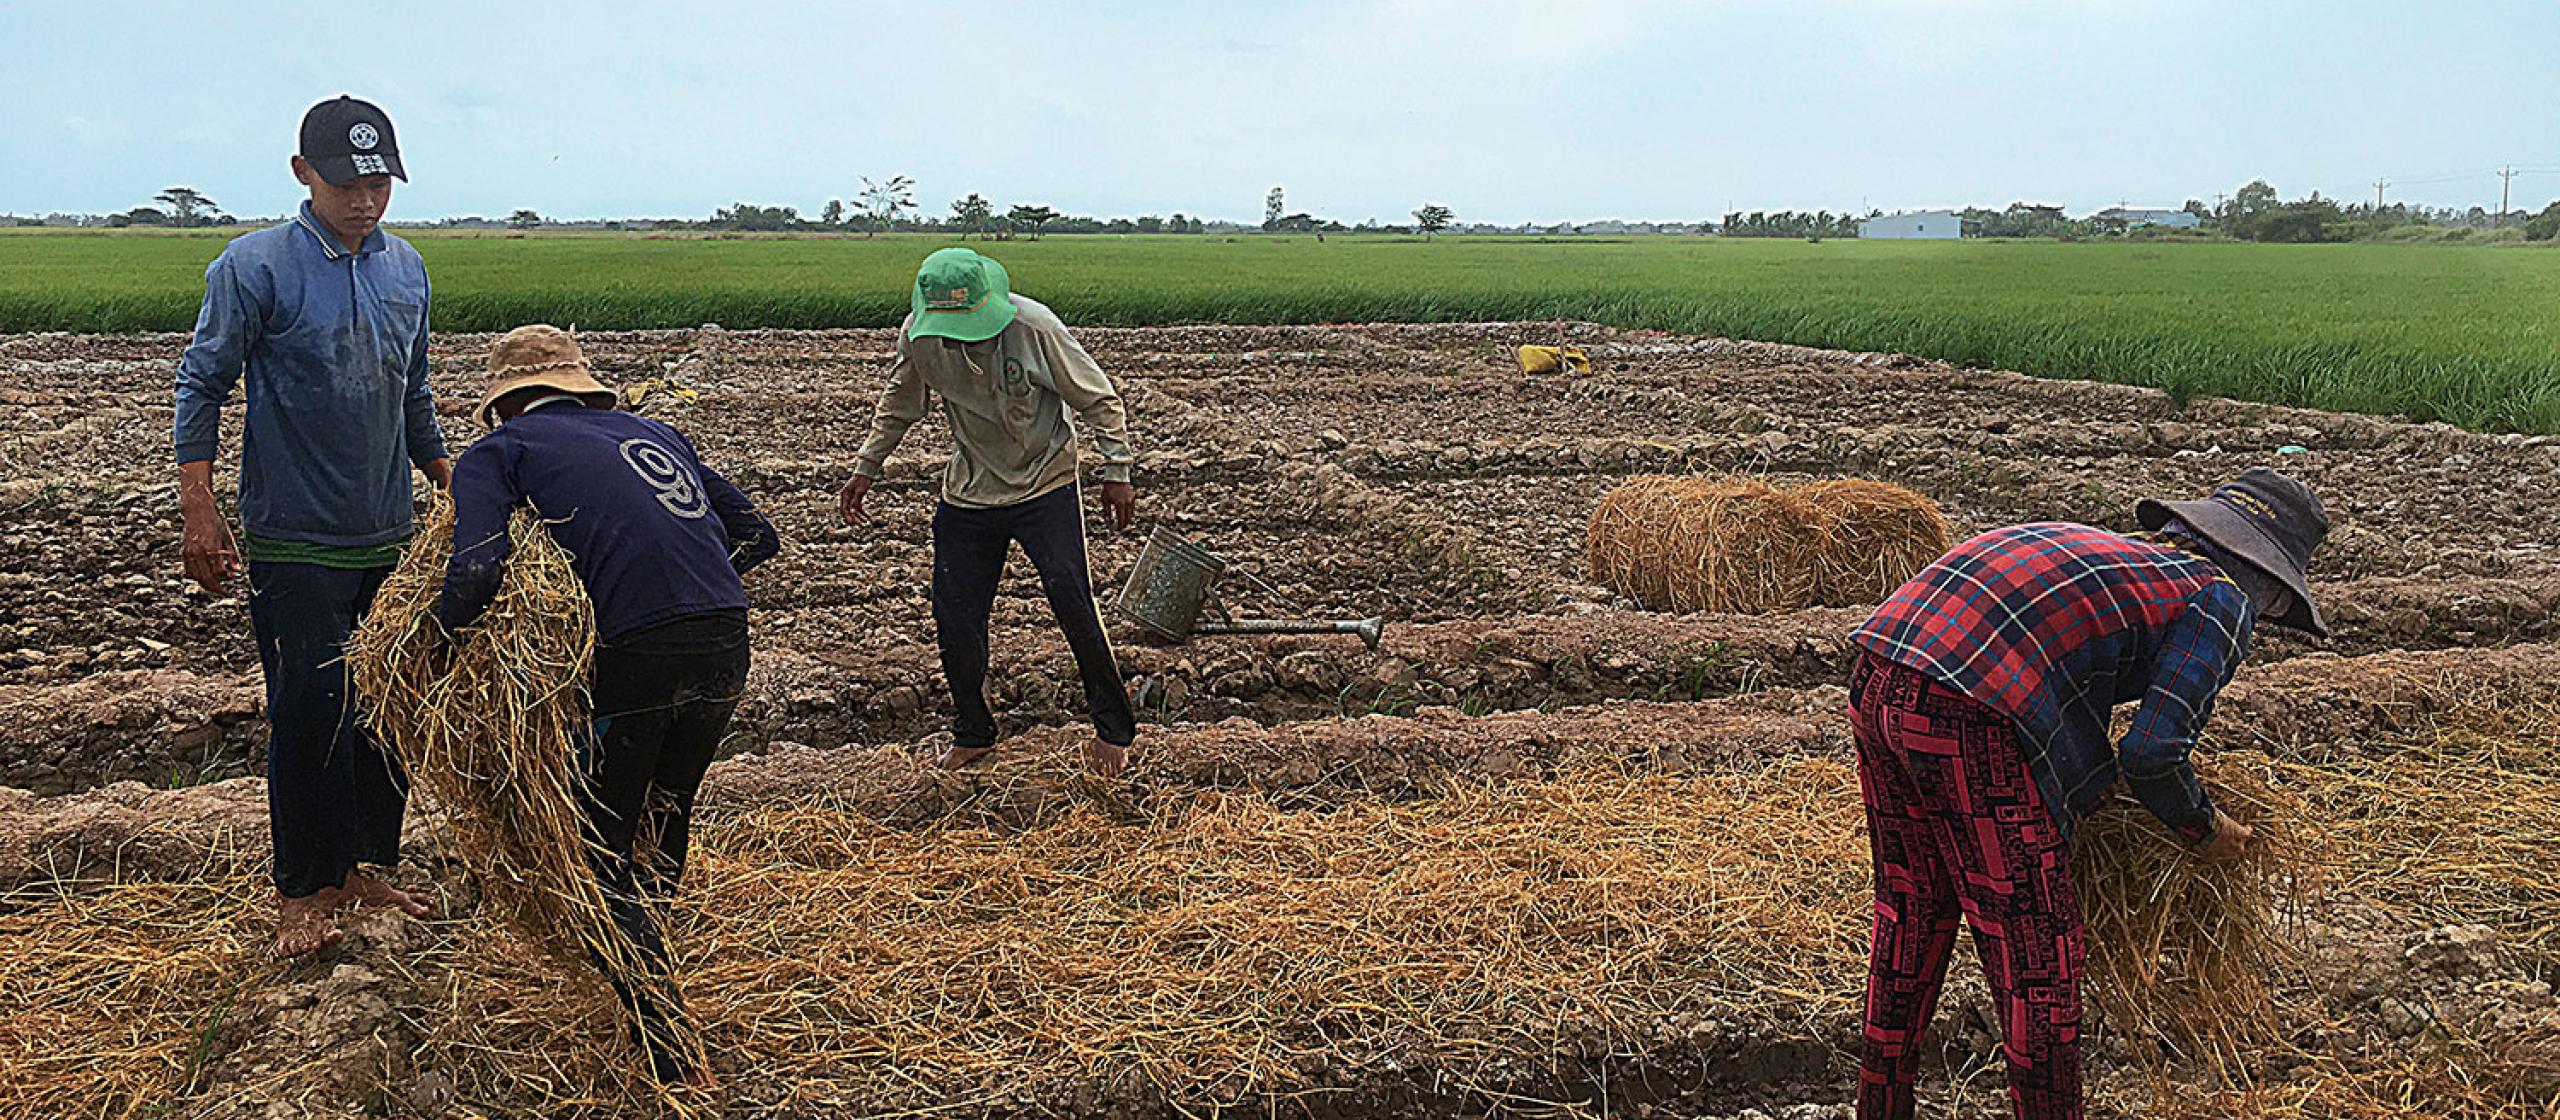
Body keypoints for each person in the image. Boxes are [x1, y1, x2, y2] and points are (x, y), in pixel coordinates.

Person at [1844, 468, 2329, 1120]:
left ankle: (1879, 1105)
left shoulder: (2126, 561)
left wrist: (2086, 791)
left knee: (1914, 905)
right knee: (2037, 955)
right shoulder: (2221, 600)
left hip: (1880, 669)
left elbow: (2069, 696)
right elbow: (2153, 754)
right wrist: (2206, 830)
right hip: (1968, 706)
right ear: (2267, 581)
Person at [437, 324, 778, 1084]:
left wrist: (428, 650)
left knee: (596, 851)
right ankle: (648, 958)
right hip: (724, 639)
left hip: (637, 658)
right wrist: (685, 585)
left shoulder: (500, 453)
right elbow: (758, 534)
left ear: (505, 402)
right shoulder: (655, 431)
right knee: (662, 816)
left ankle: (664, 1041)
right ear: (582, 386)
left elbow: (478, 568)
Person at [173, 95, 446, 957]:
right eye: (345, 182)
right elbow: (201, 384)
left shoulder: (408, 271)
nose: (364, 199)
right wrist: (200, 508)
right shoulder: (255, 266)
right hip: (294, 537)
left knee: (388, 707)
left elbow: (413, 398)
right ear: (303, 175)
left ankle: (368, 865)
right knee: (310, 707)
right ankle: (304, 888)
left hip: (388, 535)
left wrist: (450, 477)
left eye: (378, 181)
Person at [837, 248, 1139, 776]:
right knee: (954, 615)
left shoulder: (1034, 328)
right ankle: (973, 733)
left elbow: (1099, 400)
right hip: (970, 491)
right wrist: (866, 467)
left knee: (1071, 597)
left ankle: (1114, 729)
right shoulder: (920, 336)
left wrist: (1118, 472)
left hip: (1045, 481)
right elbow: (899, 402)